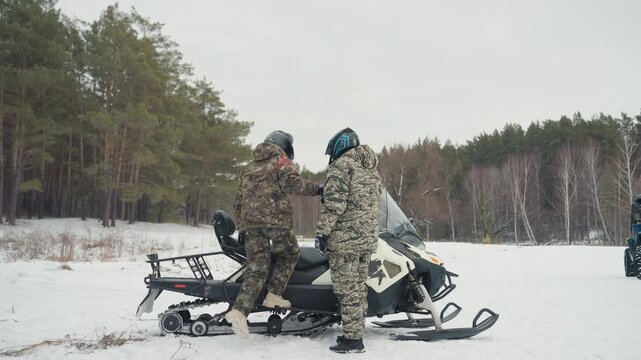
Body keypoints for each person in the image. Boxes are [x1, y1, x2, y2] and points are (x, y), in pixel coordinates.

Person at [225, 130, 322, 338]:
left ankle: (239, 311)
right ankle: (274, 294)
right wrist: (319, 189)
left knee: (257, 268)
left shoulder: (248, 168)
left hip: (251, 224)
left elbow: (238, 200)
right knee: (290, 253)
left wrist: (242, 226)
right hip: (275, 221)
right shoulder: (281, 161)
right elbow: (294, 185)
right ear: (284, 145)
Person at [314, 128, 382, 353]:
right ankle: (356, 331)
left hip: (345, 241)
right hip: (366, 240)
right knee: (359, 288)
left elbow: (335, 205)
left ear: (339, 146)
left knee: (347, 290)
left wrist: (322, 233)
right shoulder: (371, 169)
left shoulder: (342, 166)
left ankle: (353, 340)